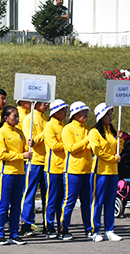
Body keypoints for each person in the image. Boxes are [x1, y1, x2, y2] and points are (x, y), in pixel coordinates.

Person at [0, 106, 31, 245]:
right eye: (14, 116)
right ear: (6, 118)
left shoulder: (20, 132)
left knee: (16, 205)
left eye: (17, 116)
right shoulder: (1, 133)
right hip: (7, 173)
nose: (17, 118)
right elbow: (2, 154)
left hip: (20, 173)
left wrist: (28, 146)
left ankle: (14, 233)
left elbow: (25, 150)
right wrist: (21, 155)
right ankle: (0, 233)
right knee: (3, 205)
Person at [88, 102, 124, 242]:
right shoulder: (94, 132)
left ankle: (109, 229)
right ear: (100, 116)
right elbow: (97, 151)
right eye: (107, 114)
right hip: (100, 172)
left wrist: (119, 141)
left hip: (113, 172)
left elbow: (118, 152)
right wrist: (112, 158)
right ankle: (95, 230)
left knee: (110, 202)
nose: (110, 117)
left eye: (111, 114)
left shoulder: (113, 132)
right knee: (97, 201)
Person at [60, 101, 93, 240]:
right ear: (74, 115)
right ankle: (63, 229)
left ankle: (89, 229)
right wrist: (87, 140)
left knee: (87, 201)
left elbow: (93, 148)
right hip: (72, 171)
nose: (85, 115)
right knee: (70, 201)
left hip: (87, 170)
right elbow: (71, 148)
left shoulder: (89, 129)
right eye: (81, 112)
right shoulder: (68, 129)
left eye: (86, 112)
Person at [20, 101, 48, 235]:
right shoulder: (28, 119)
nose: (46, 104)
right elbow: (31, 140)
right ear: (35, 104)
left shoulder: (46, 119)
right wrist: (46, 132)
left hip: (47, 161)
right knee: (29, 192)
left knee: (47, 194)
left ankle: (48, 223)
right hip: (34, 161)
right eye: (43, 102)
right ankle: (27, 223)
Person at [43, 99, 69, 239]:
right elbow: (54, 146)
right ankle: (49, 226)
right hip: (52, 167)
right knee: (52, 198)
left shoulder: (64, 126)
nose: (65, 112)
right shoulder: (49, 126)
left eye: (65, 109)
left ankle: (61, 226)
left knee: (61, 199)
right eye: (62, 110)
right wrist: (68, 144)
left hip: (64, 167)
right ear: (55, 112)